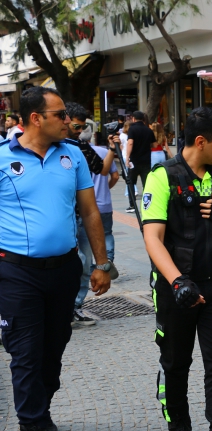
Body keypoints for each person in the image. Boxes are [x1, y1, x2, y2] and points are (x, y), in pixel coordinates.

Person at [0, 87, 111, 431]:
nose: (70, 121)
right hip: (16, 272)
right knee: (26, 351)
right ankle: (32, 428)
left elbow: (90, 211)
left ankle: (41, 408)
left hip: (64, 270)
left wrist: (101, 264)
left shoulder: (73, 156)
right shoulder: (3, 158)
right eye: (61, 115)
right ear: (36, 118)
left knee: (53, 348)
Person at [142, 107, 212, 431]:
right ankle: (179, 430)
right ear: (201, 141)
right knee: (176, 364)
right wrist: (178, 281)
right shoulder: (162, 176)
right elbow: (152, 238)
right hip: (178, 288)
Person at [64, 102, 118, 326]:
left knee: (85, 264)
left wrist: (112, 150)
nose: (79, 131)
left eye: (82, 127)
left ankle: (75, 307)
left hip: (84, 214)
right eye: (76, 126)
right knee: (74, 262)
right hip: (64, 218)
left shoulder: (80, 147)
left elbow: (101, 170)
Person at [124, 110, 156, 212]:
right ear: (143, 119)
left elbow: (130, 143)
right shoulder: (148, 130)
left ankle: (132, 205)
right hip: (146, 161)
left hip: (134, 161)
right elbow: (154, 144)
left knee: (131, 183)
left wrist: (127, 157)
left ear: (133, 118)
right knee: (146, 184)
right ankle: (148, 205)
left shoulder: (132, 129)